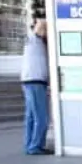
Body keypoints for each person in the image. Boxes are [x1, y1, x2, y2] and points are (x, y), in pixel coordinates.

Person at [20, 17, 51, 155]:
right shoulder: (34, 39)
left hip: (30, 81)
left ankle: (30, 145)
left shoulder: (34, 42)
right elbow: (41, 25)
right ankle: (35, 146)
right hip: (35, 81)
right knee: (41, 117)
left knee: (31, 117)